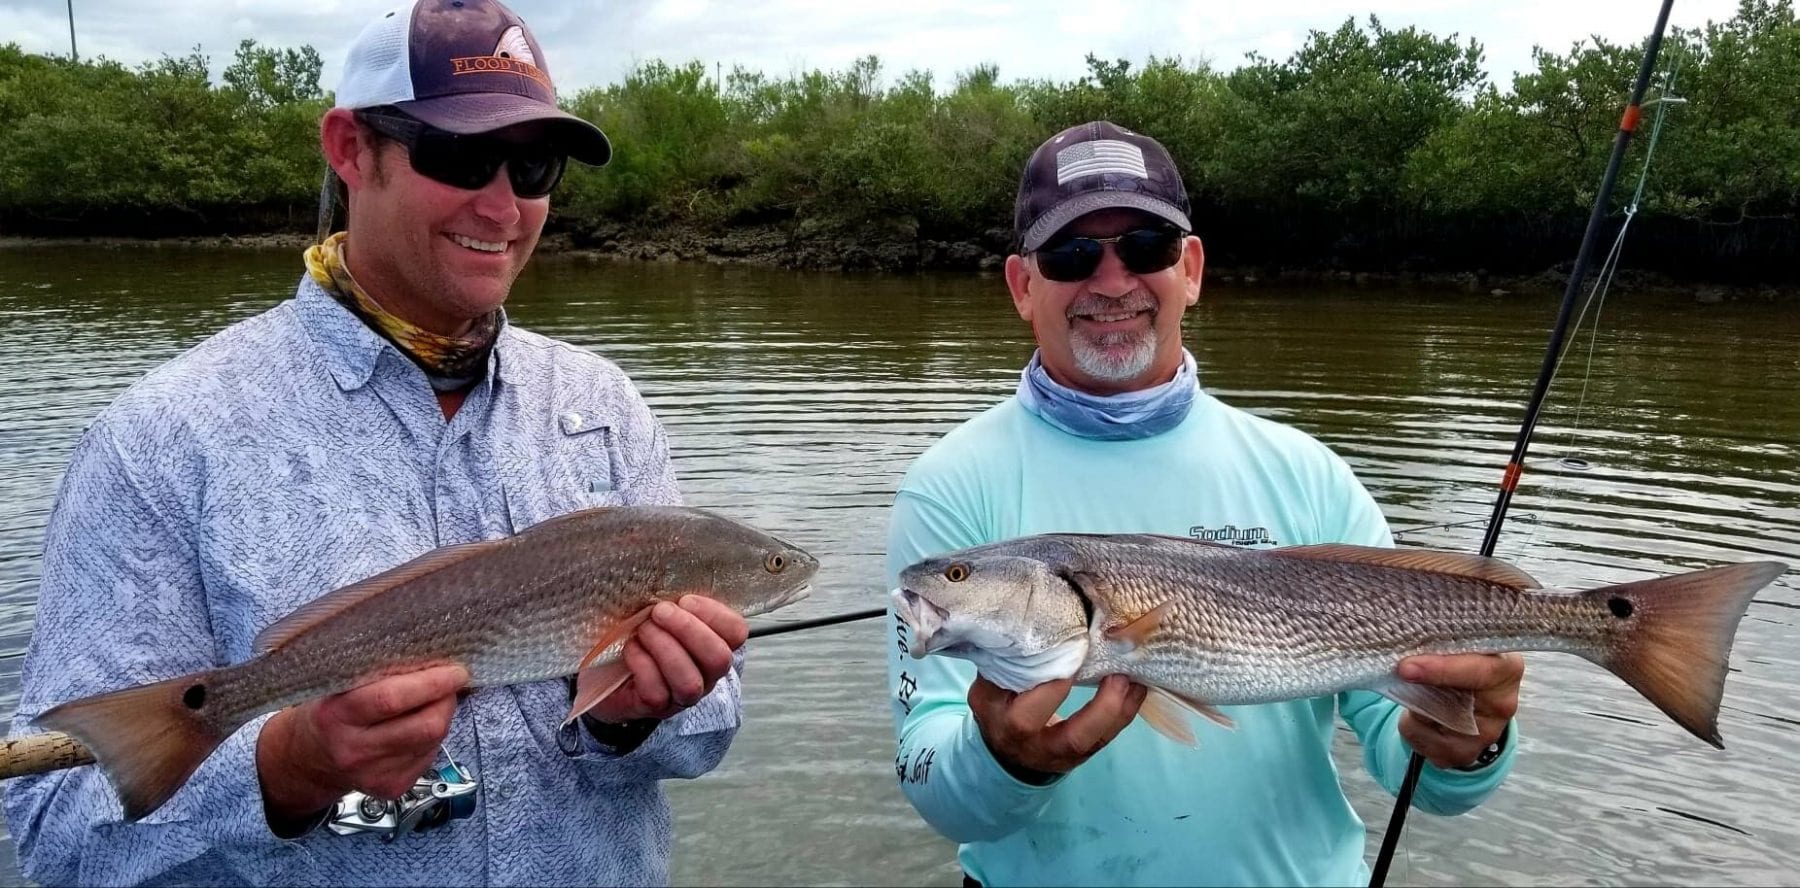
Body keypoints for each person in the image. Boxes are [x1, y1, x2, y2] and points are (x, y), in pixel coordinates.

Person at [4, 2, 749, 885]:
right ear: (351, 149)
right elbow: (56, 829)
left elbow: (705, 740)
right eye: (461, 155)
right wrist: (287, 770)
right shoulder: (160, 438)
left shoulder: (605, 407)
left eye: (533, 166)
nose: (502, 205)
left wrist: (631, 719)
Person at [882, 120, 1525, 887]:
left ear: (1189, 269)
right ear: (1023, 285)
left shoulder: (1307, 473)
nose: (1111, 281)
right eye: (1071, 254)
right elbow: (930, 776)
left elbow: (1415, 763)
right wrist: (1002, 760)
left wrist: (1473, 743)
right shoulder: (950, 485)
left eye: (1146, 247)